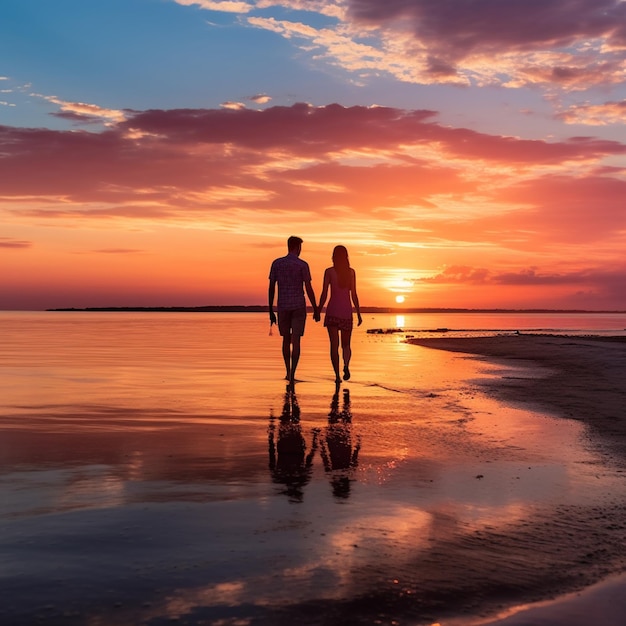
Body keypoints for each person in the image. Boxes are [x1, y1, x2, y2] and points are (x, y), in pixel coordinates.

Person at [268, 236, 319, 384]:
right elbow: (308, 288)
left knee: (285, 340)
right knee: (296, 341)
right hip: (298, 306)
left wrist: (271, 309)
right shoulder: (302, 265)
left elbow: (271, 288)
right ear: (297, 247)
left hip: (282, 305)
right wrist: (315, 308)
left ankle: (287, 372)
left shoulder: (277, 263)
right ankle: (293, 374)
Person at [318, 245, 362, 384]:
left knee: (333, 346)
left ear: (333, 256)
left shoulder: (329, 272)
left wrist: (318, 310)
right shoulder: (351, 272)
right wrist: (359, 313)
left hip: (332, 312)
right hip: (346, 313)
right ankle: (346, 366)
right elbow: (354, 294)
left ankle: (337, 376)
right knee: (346, 345)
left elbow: (324, 293)